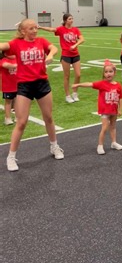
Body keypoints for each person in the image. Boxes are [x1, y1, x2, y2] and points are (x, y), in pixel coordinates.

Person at [0, 19, 64, 172]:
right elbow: (3, 46)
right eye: (31, 28)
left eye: (36, 28)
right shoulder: (16, 43)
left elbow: (53, 48)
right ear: (23, 31)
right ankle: (11, 156)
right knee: (21, 122)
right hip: (25, 86)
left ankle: (54, 146)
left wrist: (50, 55)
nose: (35, 30)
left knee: (48, 117)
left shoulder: (41, 41)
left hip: (42, 84)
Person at [73, 60, 122, 155]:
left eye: (110, 71)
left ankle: (114, 142)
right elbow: (90, 84)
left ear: (114, 72)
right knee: (104, 128)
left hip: (114, 110)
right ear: (103, 74)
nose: (108, 74)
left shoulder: (118, 85)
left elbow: (121, 98)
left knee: (113, 126)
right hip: (105, 111)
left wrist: (120, 109)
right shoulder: (102, 84)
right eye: (106, 72)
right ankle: (100, 145)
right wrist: (78, 84)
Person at [38, 13, 84, 103]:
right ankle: (67, 95)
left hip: (75, 55)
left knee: (78, 75)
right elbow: (51, 29)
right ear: (65, 20)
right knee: (66, 76)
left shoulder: (75, 30)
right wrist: (40, 27)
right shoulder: (61, 29)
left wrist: (75, 45)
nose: (72, 20)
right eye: (70, 19)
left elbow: (82, 39)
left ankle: (75, 93)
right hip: (66, 55)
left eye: (72, 18)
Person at [0, 52, 17, 125]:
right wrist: (20, 65)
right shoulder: (3, 60)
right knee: (8, 102)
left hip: (18, 85)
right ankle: (7, 118)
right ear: (6, 54)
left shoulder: (17, 59)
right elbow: (7, 66)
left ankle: (17, 116)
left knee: (17, 101)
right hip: (8, 85)